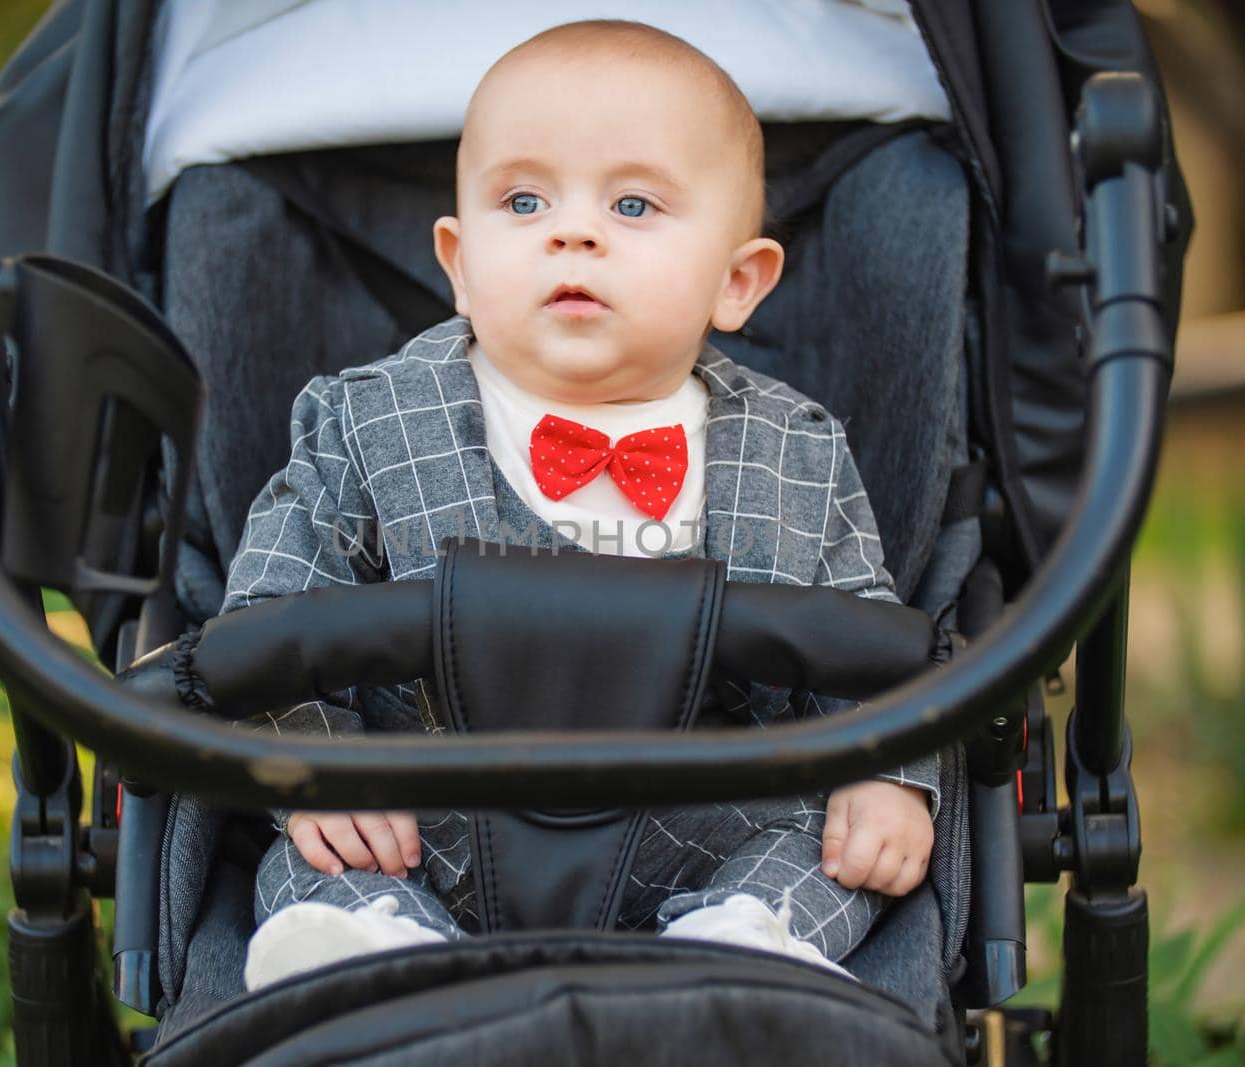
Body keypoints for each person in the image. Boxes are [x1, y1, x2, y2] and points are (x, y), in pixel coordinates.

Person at [230, 20, 939, 991]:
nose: (573, 231)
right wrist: (317, 766)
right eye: (523, 200)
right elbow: (269, 617)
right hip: (426, 817)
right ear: (460, 264)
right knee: (309, 867)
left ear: (737, 281)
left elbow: (868, 643)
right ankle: (377, 955)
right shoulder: (367, 418)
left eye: (634, 203)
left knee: (835, 843)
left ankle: (744, 944)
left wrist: (885, 770)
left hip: (706, 814)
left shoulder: (796, 449)